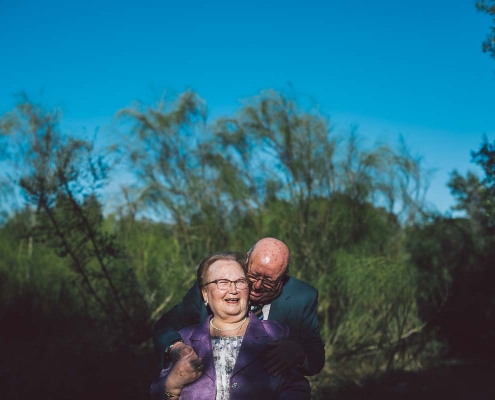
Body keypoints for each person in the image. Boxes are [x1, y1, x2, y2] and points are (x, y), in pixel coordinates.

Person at [153, 237, 325, 377]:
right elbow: (166, 326)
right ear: (247, 260)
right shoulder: (214, 286)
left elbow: (316, 355)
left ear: (283, 278)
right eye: (254, 275)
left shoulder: (302, 297)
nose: (257, 286)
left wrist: (298, 352)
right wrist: (176, 348)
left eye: (269, 282)